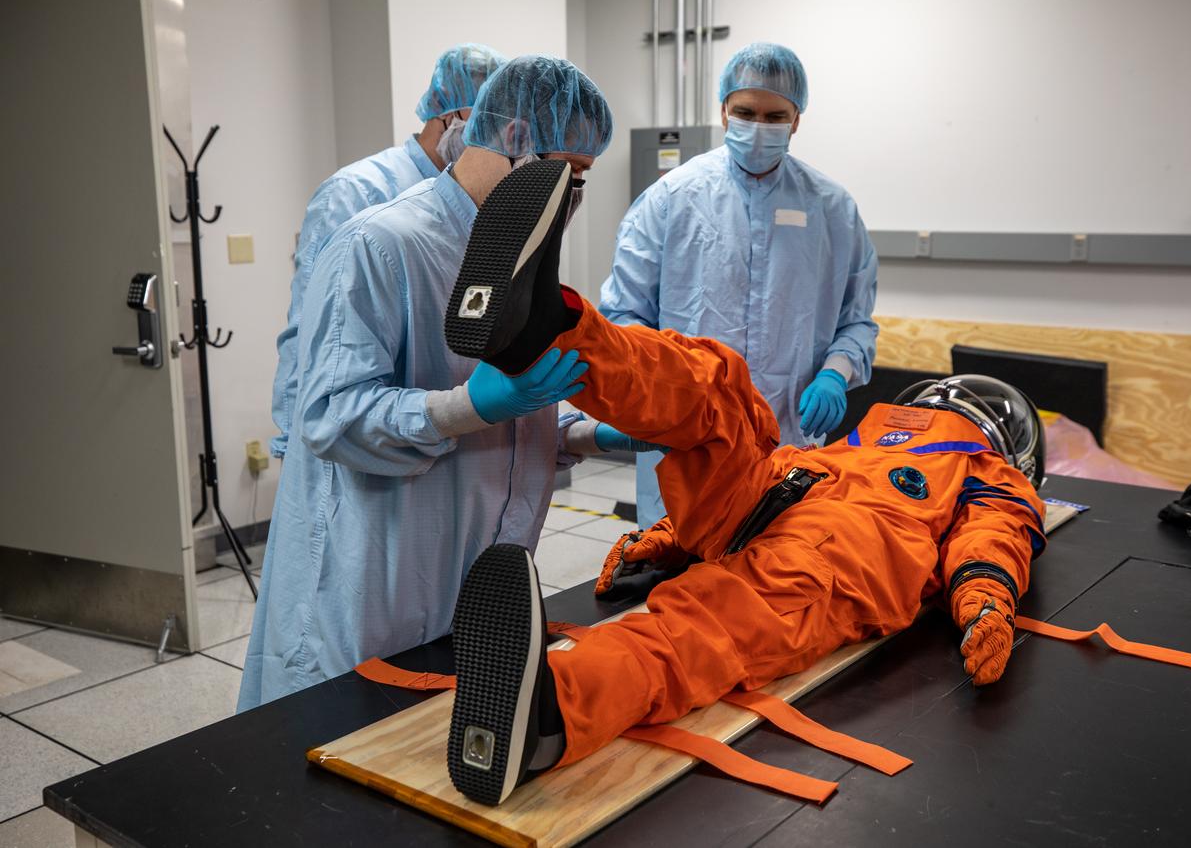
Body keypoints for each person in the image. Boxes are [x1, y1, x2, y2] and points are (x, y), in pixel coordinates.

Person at [435, 160, 1045, 805]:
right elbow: (804, 473)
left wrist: (985, 601)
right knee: (717, 382)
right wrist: (671, 533)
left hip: (829, 548)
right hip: (789, 510)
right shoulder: (879, 443)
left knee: (709, 620)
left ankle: (553, 712)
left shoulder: (984, 470)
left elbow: (990, 540)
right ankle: (547, 330)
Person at [238, 57, 630, 711]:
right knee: (342, 744)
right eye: (574, 175)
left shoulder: (519, 255)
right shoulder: (381, 245)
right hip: (378, 573)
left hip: (474, 567)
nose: (575, 198)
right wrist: (466, 407)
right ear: (515, 141)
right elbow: (331, 416)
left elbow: (515, 406)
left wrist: (588, 434)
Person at [600, 42, 880, 528]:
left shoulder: (832, 209)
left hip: (792, 437)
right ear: (724, 112)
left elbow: (856, 321)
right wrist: (670, 388)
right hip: (689, 437)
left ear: (797, 120)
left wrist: (836, 374)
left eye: (775, 115)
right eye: (746, 111)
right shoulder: (671, 199)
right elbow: (624, 315)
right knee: (677, 577)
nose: (758, 127)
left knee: (782, 574)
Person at [270, 43, 508, 459]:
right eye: (482, 124)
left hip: (436, 423)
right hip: (356, 426)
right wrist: (296, 440)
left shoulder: (479, 196)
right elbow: (308, 329)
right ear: (449, 114)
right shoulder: (358, 191)